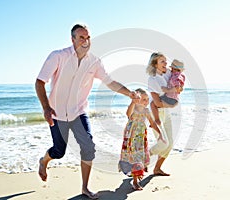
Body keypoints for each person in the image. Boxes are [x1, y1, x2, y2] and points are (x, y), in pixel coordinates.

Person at [35, 24, 138, 199]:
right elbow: (39, 82)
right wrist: (46, 108)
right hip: (57, 113)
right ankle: (44, 161)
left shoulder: (94, 62)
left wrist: (129, 93)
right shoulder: (58, 56)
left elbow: (110, 82)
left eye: (88, 37)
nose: (85, 41)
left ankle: (85, 187)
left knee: (88, 146)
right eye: (81, 37)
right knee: (59, 152)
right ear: (72, 39)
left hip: (79, 112)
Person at [118, 88, 164, 190]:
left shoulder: (146, 111)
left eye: (147, 99)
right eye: (144, 99)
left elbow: (152, 123)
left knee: (139, 156)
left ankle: (136, 176)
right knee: (133, 157)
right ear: (137, 99)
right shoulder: (133, 108)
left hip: (141, 137)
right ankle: (135, 181)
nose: (146, 102)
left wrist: (160, 134)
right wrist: (132, 101)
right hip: (130, 137)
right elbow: (128, 114)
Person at [146, 52, 182, 176]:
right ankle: (144, 157)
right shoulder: (153, 79)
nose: (165, 64)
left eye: (166, 61)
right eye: (162, 61)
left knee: (170, 143)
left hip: (165, 111)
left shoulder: (167, 73)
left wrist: (179, 87)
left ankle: (157, 168)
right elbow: (157, 103)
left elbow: (178, 76)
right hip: (156, 112)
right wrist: (173, 104)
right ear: (155, 64)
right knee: (163, 142)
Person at [151, 59, 185, 125]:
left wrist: (168, 89)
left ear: (175, 69)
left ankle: (157, 120)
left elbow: (177, 86)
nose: (171, 70)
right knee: (158, 103)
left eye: (172, 69)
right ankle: (159, 119)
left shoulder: (176, 76)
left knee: (153, 104)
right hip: (173, 99)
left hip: (170, 98)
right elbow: (180, 86)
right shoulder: (181, 76)